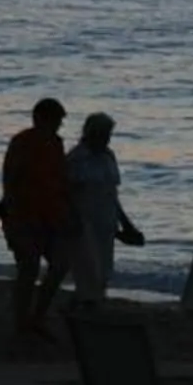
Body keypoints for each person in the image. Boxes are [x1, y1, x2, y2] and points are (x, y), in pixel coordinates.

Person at [0, 97, 72, 338]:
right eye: (55, 120)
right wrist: (7, 204)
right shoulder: (22, 142)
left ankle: (37, 315)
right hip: (23, 215)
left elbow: (60, 179)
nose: (58, 125)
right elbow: (10, 176)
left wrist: (67, 210)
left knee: (59, 265)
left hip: (51, 215)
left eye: (59, 121)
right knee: (28, 267)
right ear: (40, 119)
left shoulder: (56, 143)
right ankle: (23, 321)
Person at [66, 112, 146, 303]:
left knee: (103, 271)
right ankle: (84, 309)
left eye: (108, 135)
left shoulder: (109, 156)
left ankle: (90, 308)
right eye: (104, 134)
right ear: (92, 134)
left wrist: (126, 224)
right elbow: (66, 194)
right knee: (88, 271)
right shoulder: (76, 159)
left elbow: (112, 195)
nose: (107, 139)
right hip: (83, 222)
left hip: (107, 222)